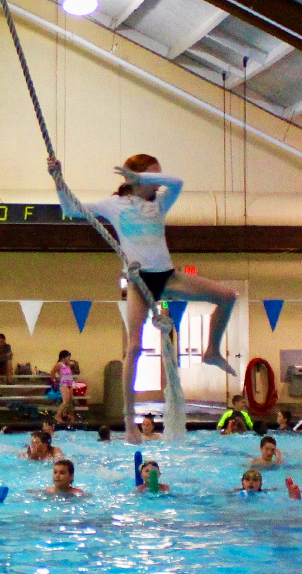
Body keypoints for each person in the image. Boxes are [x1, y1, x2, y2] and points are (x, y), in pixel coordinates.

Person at [51, 153, 240, 442]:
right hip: (139, 282)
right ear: (134, 178)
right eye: (152, 176)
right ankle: (129, 422)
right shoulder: (115, 205)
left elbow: (177, 183)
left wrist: (143, 179)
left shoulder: (159, 204)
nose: (157, 182)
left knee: (228, 296)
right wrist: (57, 178)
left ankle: (211, 350)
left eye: (156, 177)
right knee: (135, 347)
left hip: (167, 276)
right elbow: (70, 208)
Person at [52, 350, 80, 425]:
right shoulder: (59, 364)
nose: (69, 359)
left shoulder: (67, 365)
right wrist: (55, 380)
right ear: (63, 357)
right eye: (68, 357)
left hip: (70, 384)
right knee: (65, 401)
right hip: (64, 384)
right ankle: (57, 416)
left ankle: (70, 415)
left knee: (70, 401)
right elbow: (52, 372)